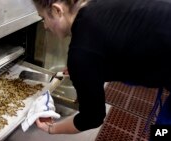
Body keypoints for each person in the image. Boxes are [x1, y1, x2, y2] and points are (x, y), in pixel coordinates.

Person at [32, 0, 171, 135]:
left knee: (162, 134)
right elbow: (121, 44)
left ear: (57, 10)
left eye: (43, 17)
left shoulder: (81, 52)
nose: (45, 26)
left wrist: (51, 129)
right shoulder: (95, 6)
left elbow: (92, 118)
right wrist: (90, 70)